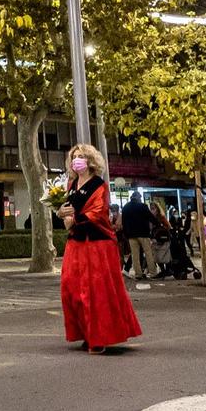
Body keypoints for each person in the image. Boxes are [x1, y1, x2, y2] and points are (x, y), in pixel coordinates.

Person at [55, 143, 142, 355]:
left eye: (81, 156)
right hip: (76, 243)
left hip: (97, 245)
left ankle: (99, 337)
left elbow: (97, 212)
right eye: (74, 156)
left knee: (96, 292)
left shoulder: (99, 185)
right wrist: (60, 213)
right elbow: (66, 208)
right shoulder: (71, 184)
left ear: (90, 160)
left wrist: (72, 219)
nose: (77, 160)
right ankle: (86, 332)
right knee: (72, 289)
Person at [120, 191, 155, 287]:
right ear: (138, 197)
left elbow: (123, 222)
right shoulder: (142, 206)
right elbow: (150, 217)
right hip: (143, 234)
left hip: (131, 235)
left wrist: (126, 234)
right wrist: (159, 224)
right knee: (148, 253)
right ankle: (152, 273)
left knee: (135, 255)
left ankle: (138, 274)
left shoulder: (126, 207)